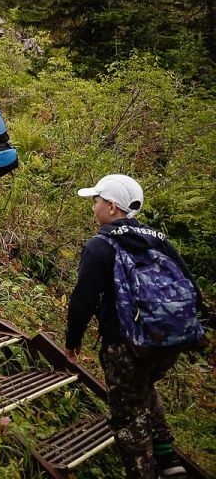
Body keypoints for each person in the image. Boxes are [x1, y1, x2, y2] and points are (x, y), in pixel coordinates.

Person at [65, 174, 203, 479]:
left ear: (112, 207)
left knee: (128, 414)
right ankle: (169, 460)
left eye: (96, 201)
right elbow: (191, 287)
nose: (93, 207)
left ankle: (143, 472)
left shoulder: (100, 245)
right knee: (144, 387)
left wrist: (72, 340)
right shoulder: (159, 239)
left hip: (126, 343)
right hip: (168, 341)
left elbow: (83, 300)